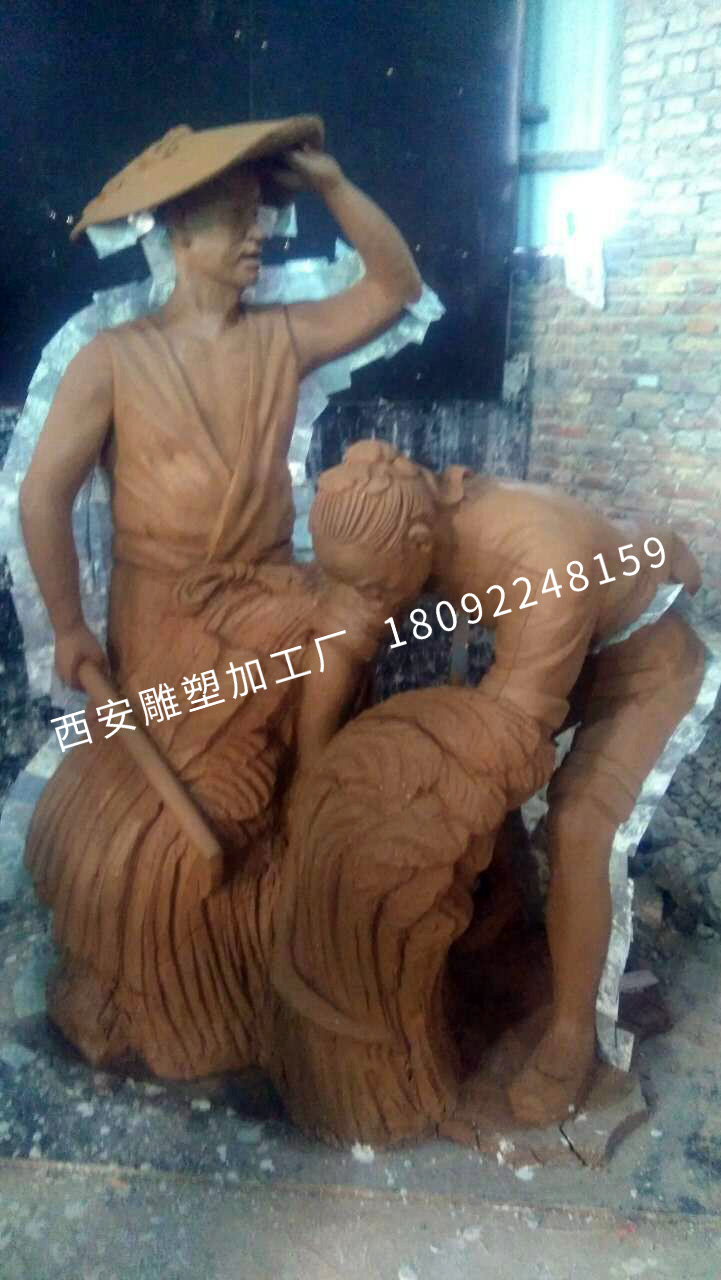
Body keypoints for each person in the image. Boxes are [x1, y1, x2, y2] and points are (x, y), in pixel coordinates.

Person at [19, 118, 425, 1076]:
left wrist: (332, 182)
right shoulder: (114, 358)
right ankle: (283, 836)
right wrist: (69, 626)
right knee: (319, 643)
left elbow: (394, 288)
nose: (258, 236)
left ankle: (312, 819)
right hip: (168, 613)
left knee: (353, 616)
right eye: (235, 219)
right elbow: (41, 495)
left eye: (261, 217)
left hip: (270, 589)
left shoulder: (281, 338)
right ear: (178, 235)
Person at [308, 441, 707, 1125]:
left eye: (376, 589)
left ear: (416, 543)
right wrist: (313, 772)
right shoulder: (417, 520)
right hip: (575, 641)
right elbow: (346, 633)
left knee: (576, 823)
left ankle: (572, 1036)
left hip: (649, 661)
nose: (371, 602)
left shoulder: (538, 564)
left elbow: (502, 750)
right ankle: (511, 934)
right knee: (482, 783)